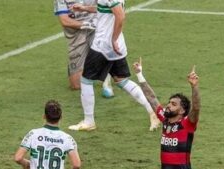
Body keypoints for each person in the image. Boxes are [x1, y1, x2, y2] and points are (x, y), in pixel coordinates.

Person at [133, 58, 224, 169]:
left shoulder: (187, 124)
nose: (168, 106)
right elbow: (151, 97)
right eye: (169, 103)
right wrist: (139, 74)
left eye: (173, 104)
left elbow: (197, 108)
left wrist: (194, 86)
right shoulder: (164, 120)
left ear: (182, 111)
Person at [68, 0, 160, 132]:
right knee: (122, 81)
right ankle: (153, 112)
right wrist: (84, 8)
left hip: (104, 45)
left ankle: (89, 121)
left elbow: (120, 15)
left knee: (86, 80)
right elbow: (105, 9)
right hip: (116, 45)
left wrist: (113, 39)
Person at [53, 0, 115, 96]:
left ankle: (106, 77)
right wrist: (88, 24)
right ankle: (93, 67)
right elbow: (64, 21)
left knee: (101, 49)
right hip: (76, 35)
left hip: (95, 29)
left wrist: (96, 22)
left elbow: (106, 8)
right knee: (76, 85)